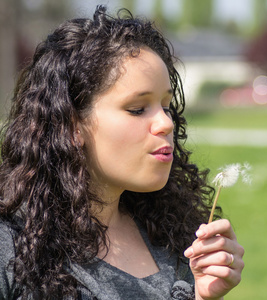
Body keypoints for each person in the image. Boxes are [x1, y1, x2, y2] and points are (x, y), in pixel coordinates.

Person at [0, 5, 244, 300]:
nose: (166, 123)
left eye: (166, 106)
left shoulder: (176, 240)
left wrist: (202, 296)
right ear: (72, 125)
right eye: (137, 109)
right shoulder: (11, 246)